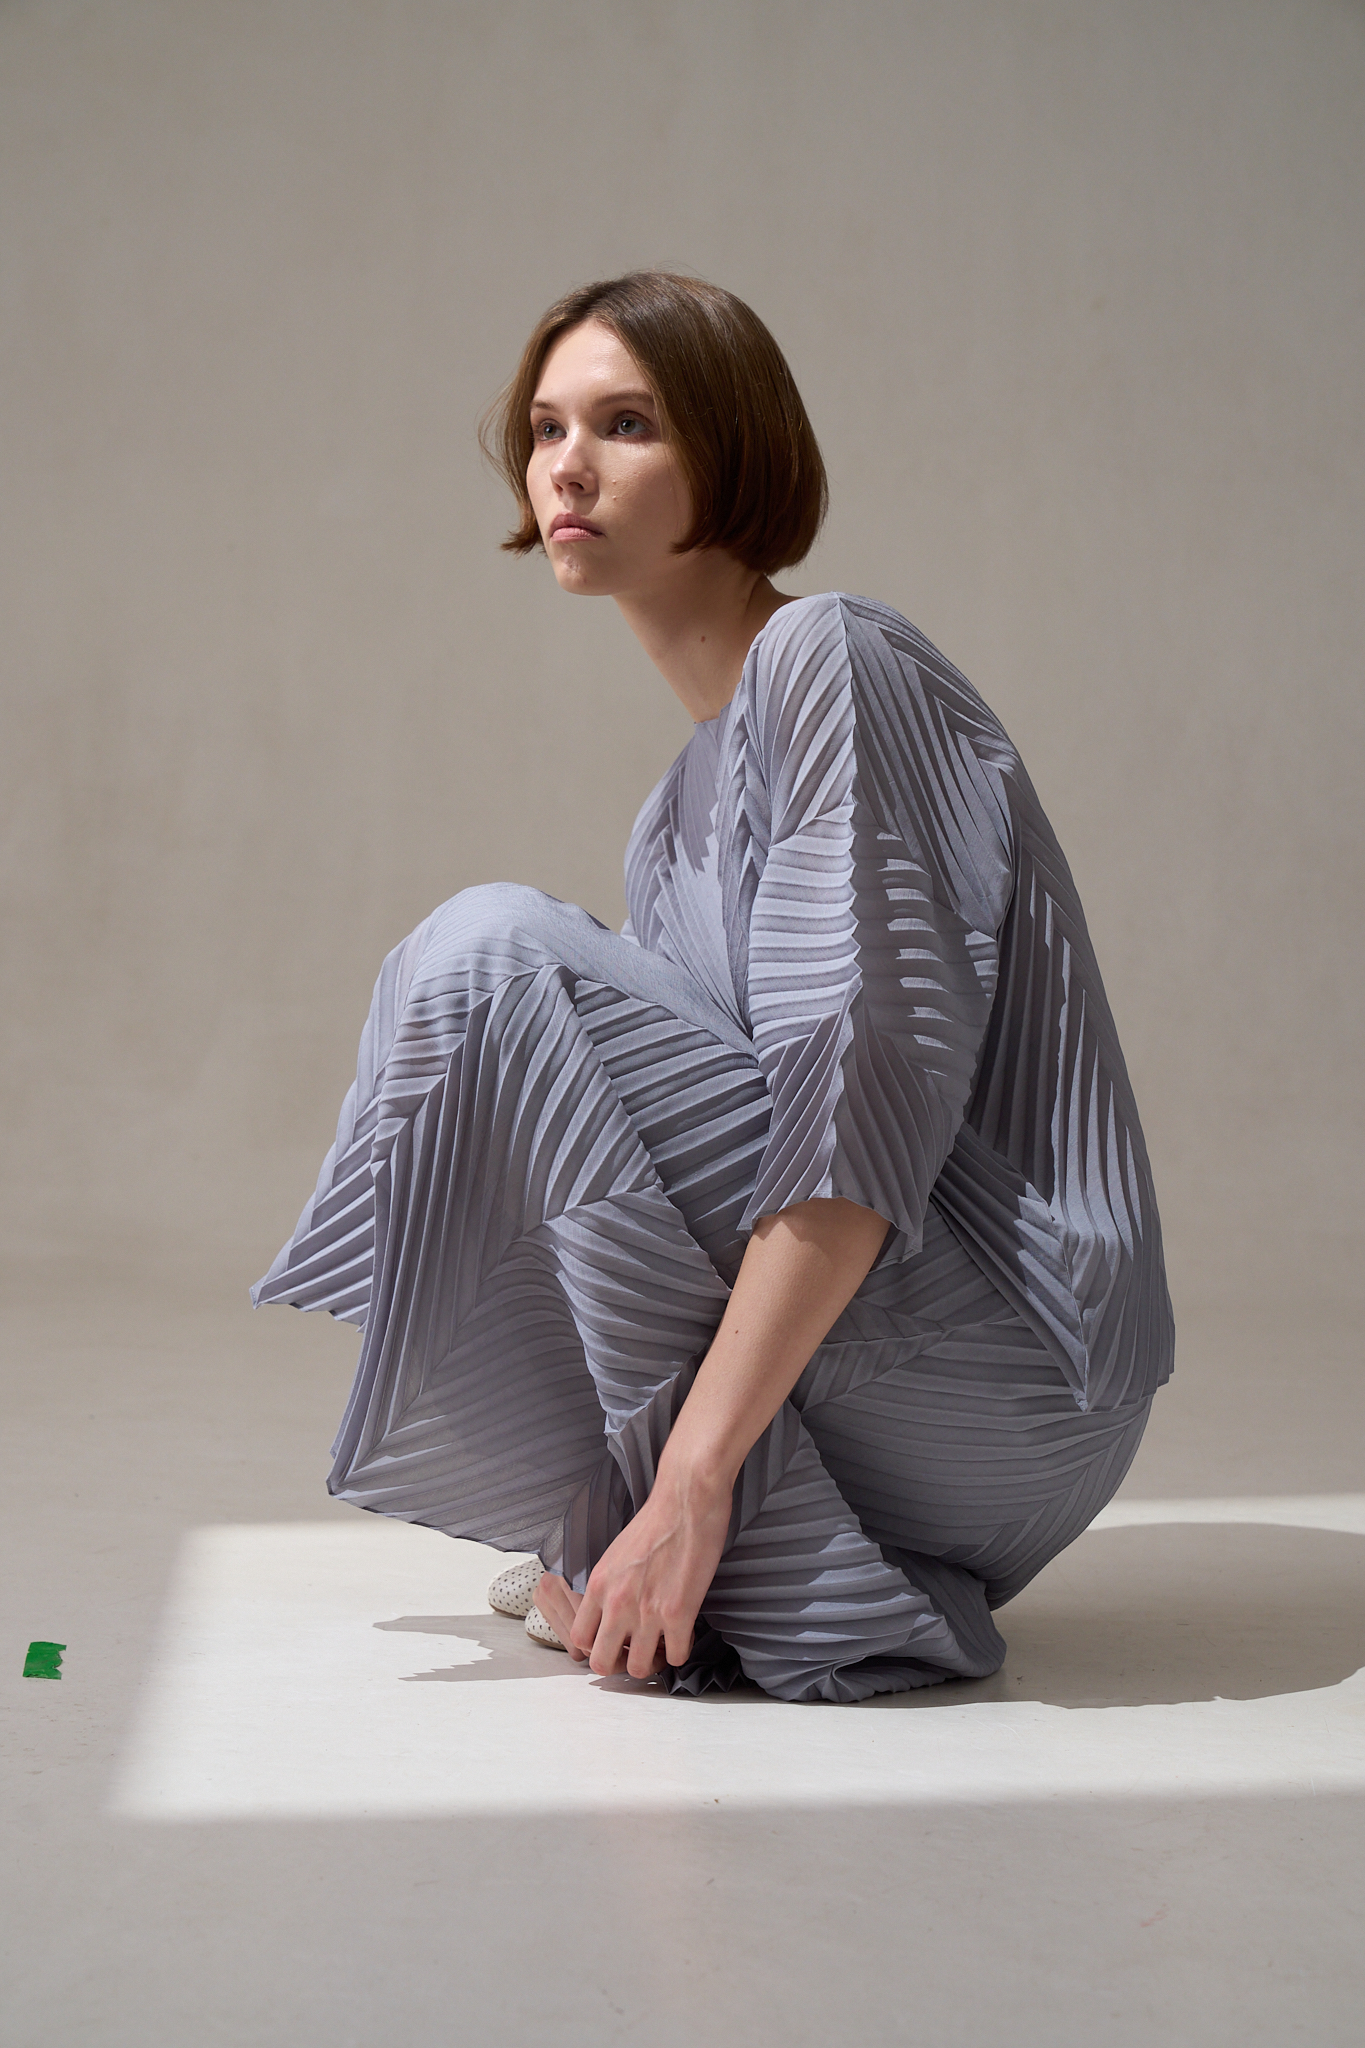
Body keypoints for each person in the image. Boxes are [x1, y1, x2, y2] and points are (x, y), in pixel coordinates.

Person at [253, 271, 1174, 1704]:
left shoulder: (834, 658)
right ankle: (685, 1545)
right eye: (546, 429)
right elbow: (635, 1183)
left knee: (488, 955)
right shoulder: (671, 817)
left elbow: (859, 1109)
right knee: (511, 1016)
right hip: (897, 1411)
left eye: (625, 424)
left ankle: (682, 1514)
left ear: (731, 450)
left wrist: (686, 1477)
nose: (566, 465)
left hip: (1014, 1377)